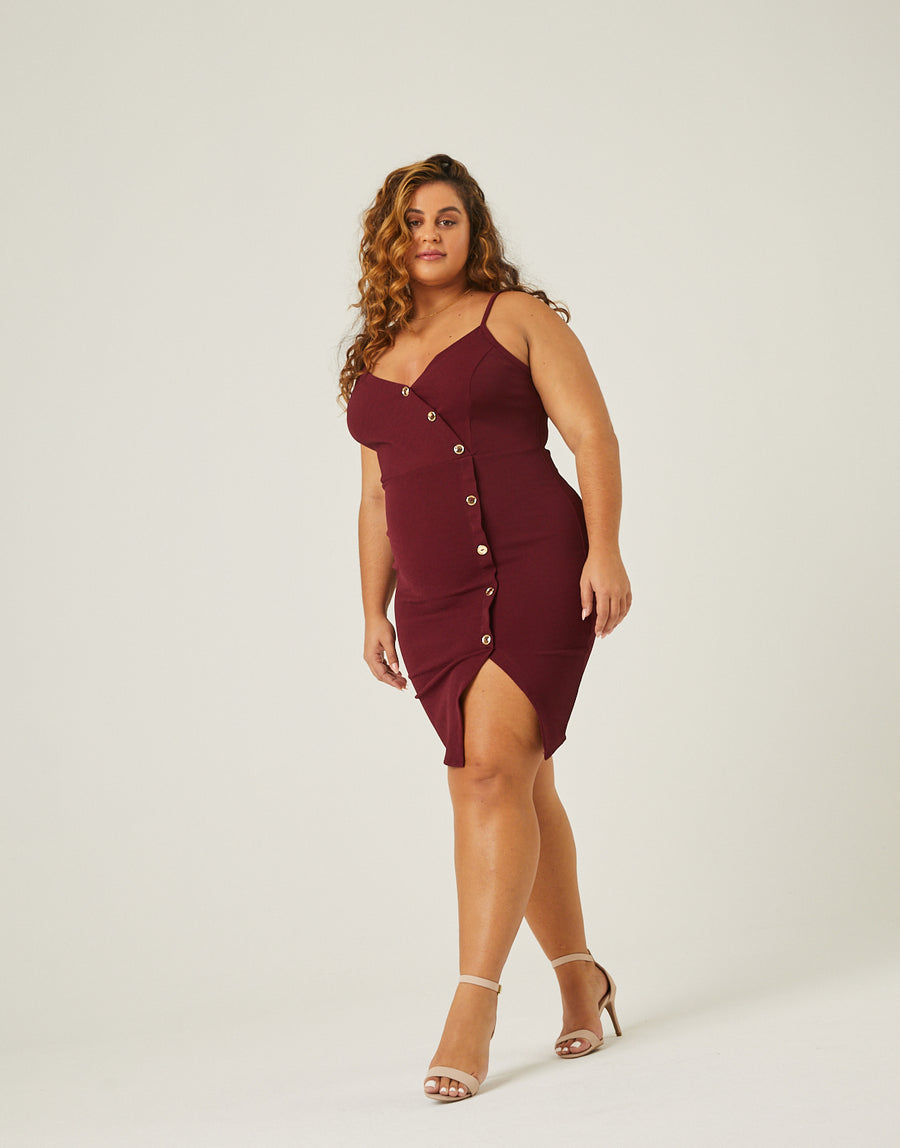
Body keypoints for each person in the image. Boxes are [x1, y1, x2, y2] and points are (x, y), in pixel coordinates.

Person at [340, 154, 632, 1102]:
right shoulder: (373, 355)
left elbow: (591, 434)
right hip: (432, 599)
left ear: (475, 232)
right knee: (522, 782)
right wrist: (372, 606)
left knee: (489, 773)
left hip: (537, 565)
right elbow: (377, 497)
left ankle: (473, 1004)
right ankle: (581, 978)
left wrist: (605, 550)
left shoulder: (518, 316)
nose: (430, 234)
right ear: (389, 239)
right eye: (412, 221)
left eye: (448, 218)